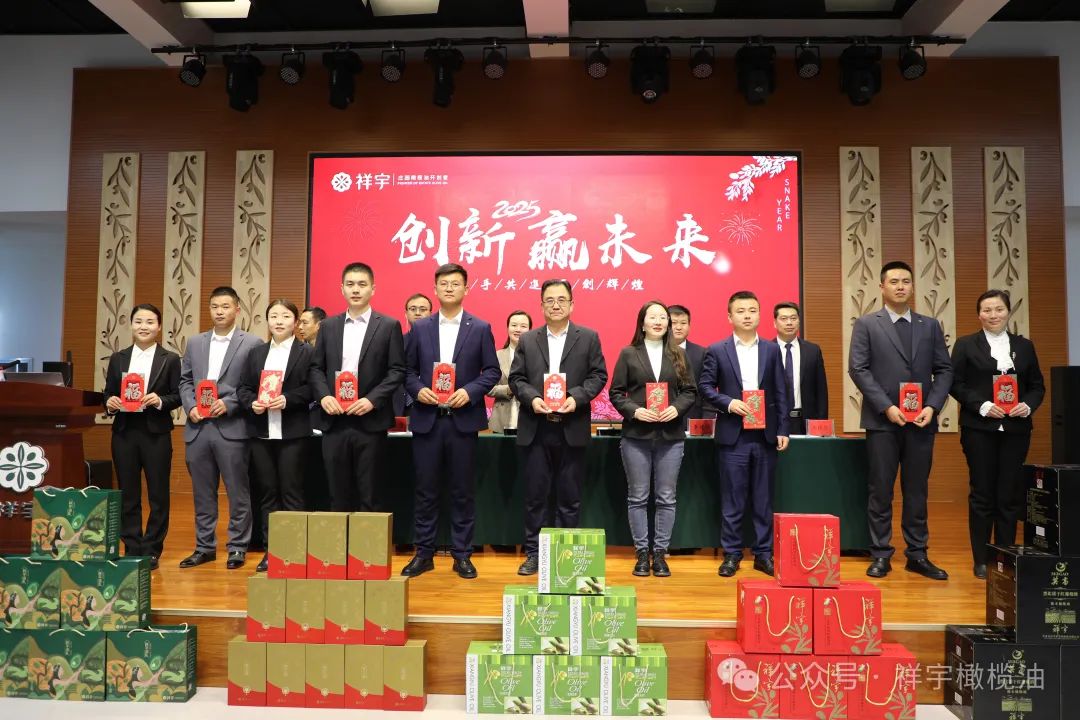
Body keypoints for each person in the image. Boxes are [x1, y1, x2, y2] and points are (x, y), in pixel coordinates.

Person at [848, 261, 953, 580]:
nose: (900, 286)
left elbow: (944, 369)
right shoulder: (867, 324)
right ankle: (881, 554)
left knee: (917, 490)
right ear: (882, 287)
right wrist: (886, 407)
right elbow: (858, 368)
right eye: (893, 281)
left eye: (906, 281)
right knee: (880, 490)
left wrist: (933, 406)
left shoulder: (929, 325)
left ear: (912, 287)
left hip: (921, 421)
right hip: (883, 422)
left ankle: (917, 554)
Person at [400, 264, 500, 580]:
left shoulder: (480, 327)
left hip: (462, 422)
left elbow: (492, 371)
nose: (449, 288)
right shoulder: (420, 328)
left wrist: (470, 392)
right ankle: (423, 554)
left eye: (455, 284)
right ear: (435, 289)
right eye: (443, 283)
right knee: (425, 490)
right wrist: (419, 390)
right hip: (428, 420)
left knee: (462, 492)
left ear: (466, 289)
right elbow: (406, 371)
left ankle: (462, 555)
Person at [509, 279, 608, 575]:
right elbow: (516, 379)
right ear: (541, 305)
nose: (555, 305)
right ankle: (534, 554)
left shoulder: (588, 337)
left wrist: (576, 398)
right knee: (535, 497)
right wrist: (533, 398)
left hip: (571, 427)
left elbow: (598, 376)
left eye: (561, 299)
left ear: (572, 304)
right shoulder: (528, 340)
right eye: (549, 300)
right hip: (536, 427)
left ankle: (565, 557)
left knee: (569, 497)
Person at [949, 289, 1044, 579]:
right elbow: (955, 383)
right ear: (979, 315)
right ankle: (981, 559)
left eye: (999, 309)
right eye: (987, 310)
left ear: (1008, 312)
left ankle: (1005, 556)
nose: (993, 315)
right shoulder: (965, 345)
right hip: (979, 429)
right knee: (982, 493)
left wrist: (1027, 405)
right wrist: (982, 405)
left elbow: (1037, 386)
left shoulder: (1024, 346)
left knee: (1009, 494)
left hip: (1016, 429)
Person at [698, 291, 790, 577]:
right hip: (733, 435)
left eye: (752, 310)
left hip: (765, 435)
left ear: (760, 315)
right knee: (733, 499)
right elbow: (705, 387)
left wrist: (783, 428)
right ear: (730, 317)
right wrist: (728, 403)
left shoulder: (771, 350)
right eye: (740, 311)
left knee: (763, 499)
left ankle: (763, 554)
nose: (747, 315)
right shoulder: (717, 350)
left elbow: (781, 390)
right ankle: (732, 554)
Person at [609, 301, 697, 577]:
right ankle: (640, 553)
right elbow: (616, 393)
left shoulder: (679, 354)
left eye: (663, 317)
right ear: (642, 323)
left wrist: (677, 408)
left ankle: (659, 554)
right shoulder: (628, 353)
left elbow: (690, 391)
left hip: (671, 436)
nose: (658, 321)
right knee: (637, 497)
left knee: (666, 497)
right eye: (653, 317)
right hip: (636, 435)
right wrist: (635, 411)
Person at [178, 286, 262, 570]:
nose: (219, 311)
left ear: (237, 309)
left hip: (232, 427)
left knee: (238, 492)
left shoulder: (252, 343)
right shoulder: (195, 342)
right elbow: (185, 380)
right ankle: (204, 547)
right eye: (215, 306)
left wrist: (230, 403)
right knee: (202, 493)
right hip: (198, 427)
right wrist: (190, 406)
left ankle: (237, 546)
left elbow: (254, 384)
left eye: (225, 306)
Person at [310, 262, 406, 512]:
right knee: (337, 493)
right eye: (350, 284)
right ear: (341, 288)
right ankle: (339, 539)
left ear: (372, 289)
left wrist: (372, 400)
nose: (355, 290)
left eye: (362, 284)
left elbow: (397, 370)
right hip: (334, 420)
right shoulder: (328, 326)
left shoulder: (388, 325)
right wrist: (324, 397)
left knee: (370, 493)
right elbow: (316, 368)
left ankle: (367, 540)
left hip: (370, 421)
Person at [102, 303, 181, 570]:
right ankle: (132, 547)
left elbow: (178, 395)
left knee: (158, 494)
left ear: (158, 327)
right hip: (124, 432)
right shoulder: (118, 358)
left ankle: (152, 549)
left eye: (149, 322)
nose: (143, 327)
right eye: (138, 321)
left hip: (156, 433)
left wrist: (160, 400)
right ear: (131, 325)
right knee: (128, 493)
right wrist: (110, 402)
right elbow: (108, 393)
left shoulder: (170, 359)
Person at [238, 299, 315, 573]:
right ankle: (272, 552)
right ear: (267, 321)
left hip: (293, 432)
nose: (279, 321)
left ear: (296, 322)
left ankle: (295, 552)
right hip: (261, 433)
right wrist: (252, 403)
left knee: (292, 493)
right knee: (268, 494)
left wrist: (288, 399)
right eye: (273, 316)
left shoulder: (307, 353)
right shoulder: (256, 353)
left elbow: (313, 388)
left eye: (285, 316)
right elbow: (243, 388)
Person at [773, 302, 829, 435]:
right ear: (775, 323)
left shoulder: (812, 351)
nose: (789, 323)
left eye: (793, 318)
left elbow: (821, 391)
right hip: (775, 421)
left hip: (805, 421)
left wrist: (821, 423)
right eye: (784, 319)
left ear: (799, 321)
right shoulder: (766, 351)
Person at [488, 310, 533, 433]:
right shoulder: (497, 356)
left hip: (530, 420)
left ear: (530, 330)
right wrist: (508, 389)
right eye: (514, 325)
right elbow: (487, 387)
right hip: (500, 421)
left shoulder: (537, 356)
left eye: (523, 326)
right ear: (507, 328)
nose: (518, 329)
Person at [668, 304, 713, 423]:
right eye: (673, 323)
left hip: (693, 419)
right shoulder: (654, 353)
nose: (678, 327)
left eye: (683, 323)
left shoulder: (702, 353)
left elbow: (708, 389)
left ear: (689, 326)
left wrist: (707, 420)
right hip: (661, 419)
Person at [393, 294, 434, 417]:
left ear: (431, 314)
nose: (417, 313)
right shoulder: (396, 341)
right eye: (413, 309)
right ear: (406, 314)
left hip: (431, 403)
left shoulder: (440, 342)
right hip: (401, 406)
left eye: (423, 309)